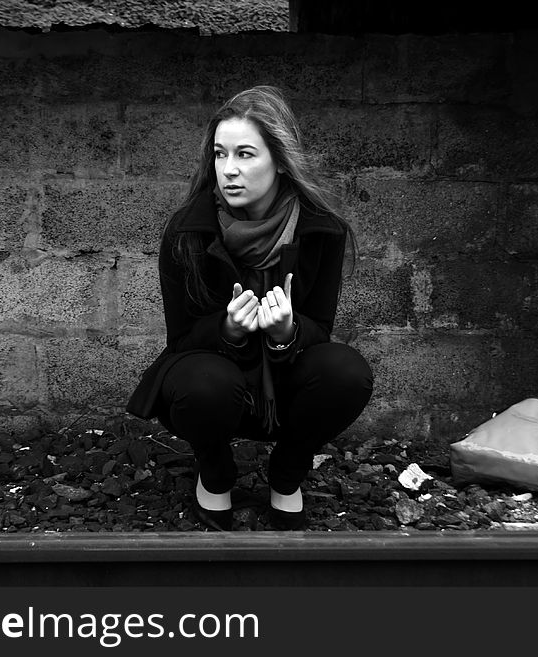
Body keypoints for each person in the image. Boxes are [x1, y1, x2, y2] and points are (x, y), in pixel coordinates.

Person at [126, 85, 373, 531]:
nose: (228, 171)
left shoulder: (323, 231)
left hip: (286, 383)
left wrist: (287, 333)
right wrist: (228, 330)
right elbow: (181, 342)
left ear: (279, 160)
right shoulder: (188, 231)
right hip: (217, 383)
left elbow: (321, 329)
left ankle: (287, 475)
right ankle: (215, 473)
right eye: (220, 155)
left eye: (245, 154)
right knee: (203, 382)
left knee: (346, 372)